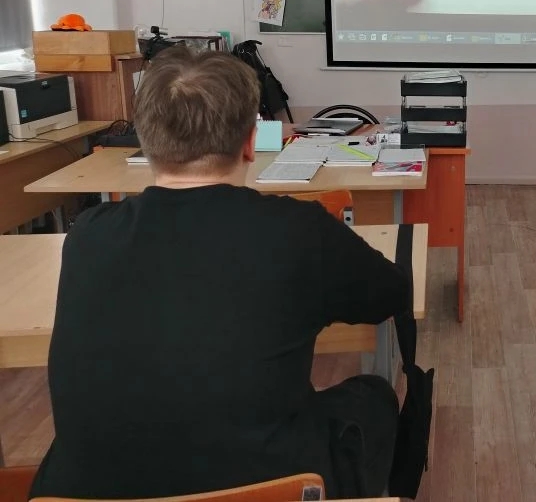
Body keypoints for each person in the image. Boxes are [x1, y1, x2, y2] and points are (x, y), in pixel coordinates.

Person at [29, 47, 407, 500]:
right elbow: (391, 294)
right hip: (268, 488)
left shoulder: (88, 235)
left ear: (145, 141)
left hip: (81, 492)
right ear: (251, 141)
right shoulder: (298, 229)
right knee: (373, 398)